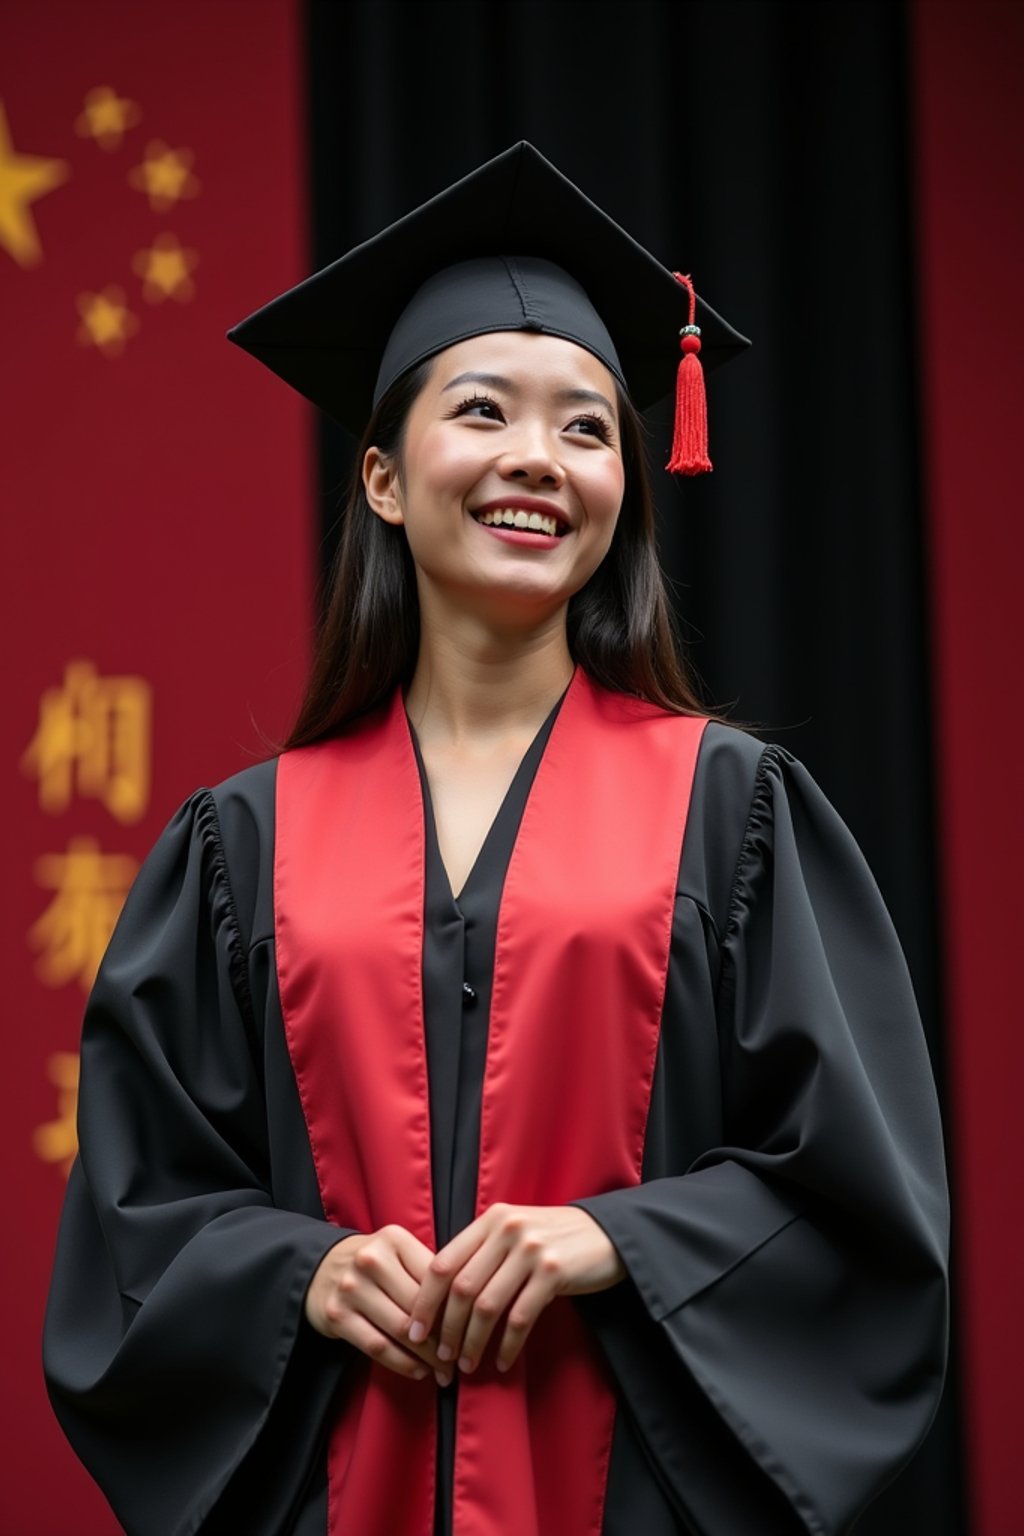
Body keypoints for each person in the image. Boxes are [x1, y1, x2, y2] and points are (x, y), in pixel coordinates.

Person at [43, 142, 949, 1536]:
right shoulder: (243, 842)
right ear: (385, 480)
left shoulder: (734, 813)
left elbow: (860, 1212)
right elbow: (137, 1220)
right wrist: (302, 1274)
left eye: (590, 429)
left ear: (624, 496)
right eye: (483, 411)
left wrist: (619, 1238)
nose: (540, 458)